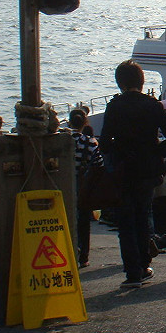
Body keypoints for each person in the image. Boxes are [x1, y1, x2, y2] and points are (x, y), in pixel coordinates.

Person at [99, 60, 166, 289]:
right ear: (142, 81)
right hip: (147, 169)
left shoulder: (114, 106)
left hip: (125, 169)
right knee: (143, 215)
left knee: (126, 220)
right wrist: (157, 153)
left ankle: (132, 270)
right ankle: (144, 265)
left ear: (119, 82)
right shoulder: (152, 105)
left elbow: (104, 143)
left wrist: (119, 154)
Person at [68, 108, 103, 268]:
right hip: (83, 186)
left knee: (66, 219)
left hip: (63, 186)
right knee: (83, 221)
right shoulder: (89, 142)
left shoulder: (63, 140)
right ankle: (84, 256)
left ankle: (67, 251)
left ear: (69, 121)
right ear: (85, 122)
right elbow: (99, 165)